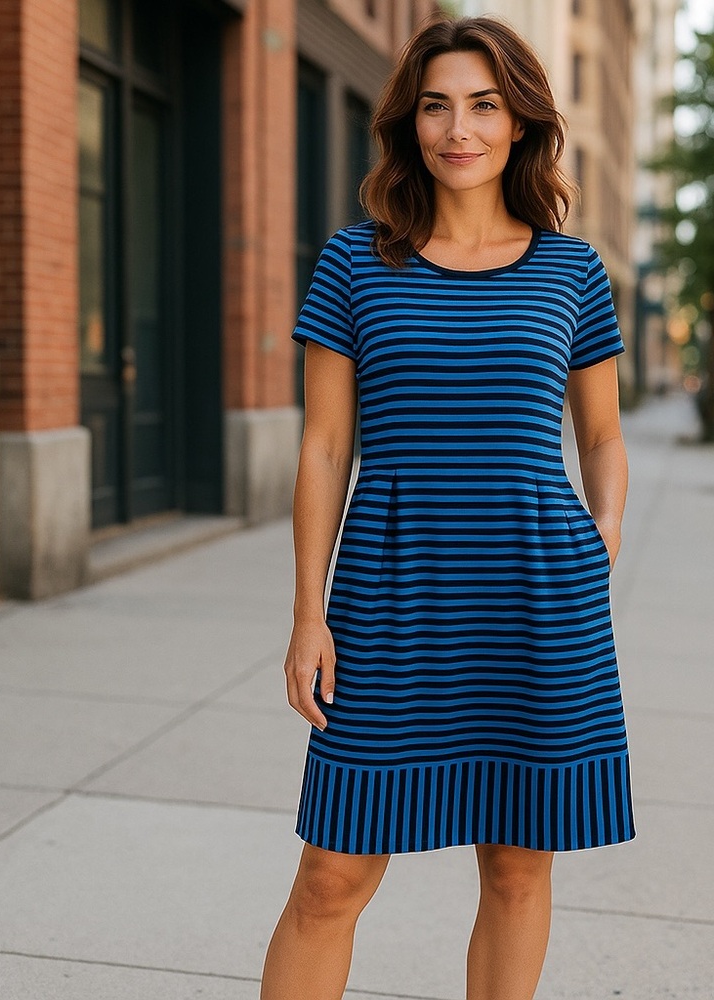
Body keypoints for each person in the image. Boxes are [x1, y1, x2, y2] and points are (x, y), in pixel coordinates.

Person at [260, 13, 634, 1000]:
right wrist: (308, 614)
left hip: (536, 598)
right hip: (391, 594)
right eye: (435, 106)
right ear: (408, 124)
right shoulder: (353, 261)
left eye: (482, 105)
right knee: (331, 872)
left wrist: (600, 533)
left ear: (520, 125)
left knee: (517, 864)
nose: (457, 129)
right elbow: (324, 446)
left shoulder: (571, 270)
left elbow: (600, 434)